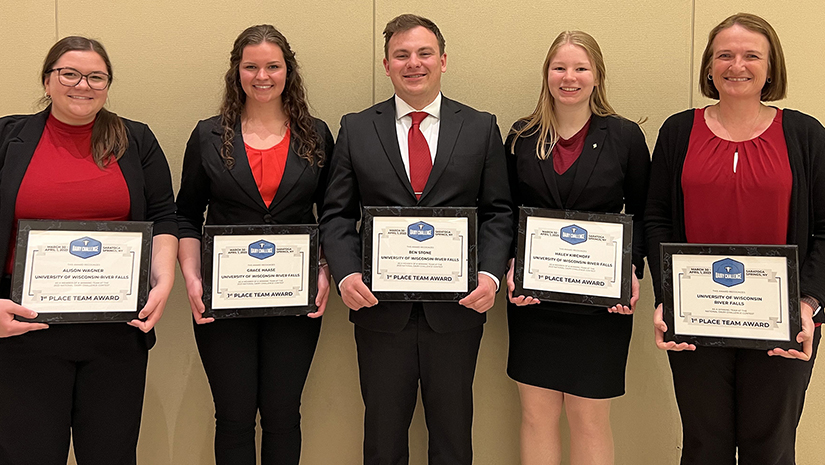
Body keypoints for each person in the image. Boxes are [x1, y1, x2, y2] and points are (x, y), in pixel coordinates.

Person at [319, 13, 512, 465]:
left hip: (459, 309)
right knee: (383, 437)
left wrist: (489, 275)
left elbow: (499, 212)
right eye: (401, 55)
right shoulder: (357, 127)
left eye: (424, 53)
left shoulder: (481, 127)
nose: (414, 63)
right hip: (380, 310)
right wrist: (346, 272)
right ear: (386, 65)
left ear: (443, 60)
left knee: (453, 435)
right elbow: (336, 213)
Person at [645, 13, 825, 465]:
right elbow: (656, 219)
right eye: (724, 54)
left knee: (771, 448)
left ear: (770, 67)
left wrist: (807, 303)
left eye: (751, 56)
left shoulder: (805, 135)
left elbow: (824, 229)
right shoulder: (678, 131)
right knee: (705, 446)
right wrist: (669, 297)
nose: (736, 65)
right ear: (709, 66)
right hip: (697, 319)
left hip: (783, 321)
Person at [0, 36, 178, 464]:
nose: (83, 85)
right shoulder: (7, 136)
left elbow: (164, 216)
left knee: (112, 454)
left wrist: (164, 280)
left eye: (96, 76)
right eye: (70, 74)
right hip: (24, 329)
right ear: (48, 80)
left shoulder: (135, 140)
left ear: (107, 84)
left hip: (116, 329)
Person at [176, 24, 333, 465]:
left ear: (288, 71)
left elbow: (333, 217)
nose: (261, 76)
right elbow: (185, 216)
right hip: (222, 302)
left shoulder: (316, 135)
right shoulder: (208, 135)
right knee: (233, 417)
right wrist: (192, 280)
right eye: (251, 66)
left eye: (272, 66)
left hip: (295, 302)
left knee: (284, 415)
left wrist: (324, 274)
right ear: (236, 72)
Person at [505, 31, 650, 465]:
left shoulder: (625, 137)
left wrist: (632, 271)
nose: (570, 77)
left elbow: (644, 214)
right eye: (560, 67)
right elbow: (505, 211)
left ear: (597, 76)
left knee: (589, 419)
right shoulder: (522, 136)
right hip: (535, 299)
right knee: (537, 415)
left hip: (601, 304)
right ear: (547, 74)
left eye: (581, 68)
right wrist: (512, 264)